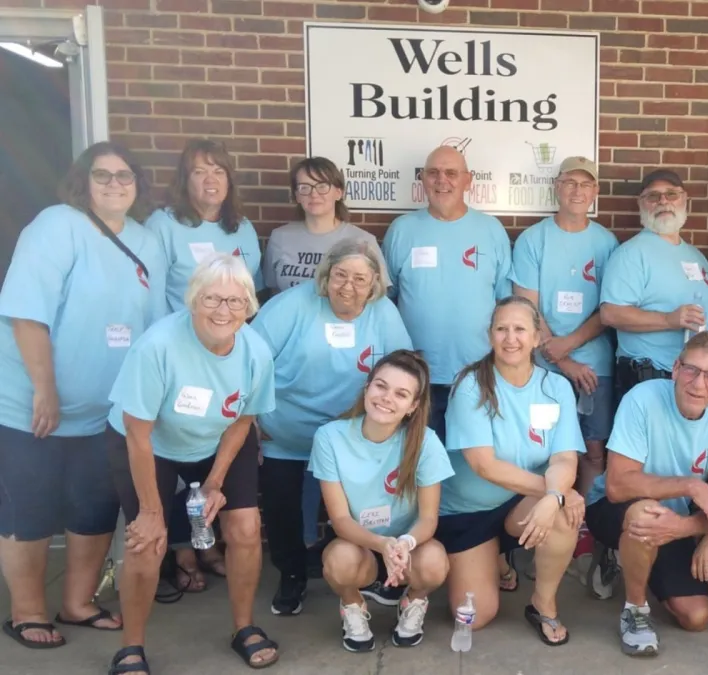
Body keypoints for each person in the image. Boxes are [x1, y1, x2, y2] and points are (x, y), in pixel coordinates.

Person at [0, 142, 166, 649]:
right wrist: (45, 389)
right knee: (29, 509)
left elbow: (155, 326)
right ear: (83, 181)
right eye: (102, 175)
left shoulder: (146, 241)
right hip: (33, 407)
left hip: (107, 413)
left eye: (124, 176)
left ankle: (77, 602)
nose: (114, 185)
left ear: (137, 184)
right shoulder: (56, 225)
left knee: (92, 509)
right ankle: (27, 611)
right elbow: (27, 312)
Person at [105, 254, 278, 673]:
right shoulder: (158, 347)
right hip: (150, 445)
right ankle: (131, 648)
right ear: (193, 300)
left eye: (236, 302)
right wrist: (151, 512)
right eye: (213, 299)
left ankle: (244, 628)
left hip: (215, 441)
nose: (224, 311)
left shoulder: (256, 351)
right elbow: (138, 434)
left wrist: (216, 482)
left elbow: (244, 418)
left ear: (249, 307)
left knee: (245, 529)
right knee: (147, 542)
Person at [252, 239, 412, 616]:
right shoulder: (291, 306)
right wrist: (251, 420)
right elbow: (248, 359)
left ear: (374, 284)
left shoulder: (383, 312)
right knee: (282, 508)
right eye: (340, 275)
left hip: (353, 439)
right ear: (325, 276)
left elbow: (404, 366)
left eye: (360, 278)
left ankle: (370, 572)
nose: (348, 286)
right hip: (287, 434)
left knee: (365, 507)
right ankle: (291, 576)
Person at [585, 332, 708, 658]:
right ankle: (635, 610)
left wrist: (684, 529)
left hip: (671, 516)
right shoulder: (642, 398)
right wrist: (692, 486)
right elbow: (618, 486)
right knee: (645, 515)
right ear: (675, 368)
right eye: (691, 370)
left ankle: (632, 556)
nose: (699, 384)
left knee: (697, 616)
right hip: (612, 506)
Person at [435, 296, 585, 646]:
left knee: (564, 515)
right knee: (473, 617)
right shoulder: (471, 383)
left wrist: (555, 497)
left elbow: (565, 459)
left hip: (519, 504)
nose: (510, 338)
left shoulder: (556, 387)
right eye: (501, 329)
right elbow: (483, 465)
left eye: (520, 329)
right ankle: (498, 560)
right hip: (467, 510)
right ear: (490, 336)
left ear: (536, 338)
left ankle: (543, 603)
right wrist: (553, 492)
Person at [312, 350, 453, 652]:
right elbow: (339, 519)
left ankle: (413, 601)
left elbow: (428, 519)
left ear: (413, 406)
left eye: (401, 394)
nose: (387, 398)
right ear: (367, 387)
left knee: (435, 564)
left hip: (407, 546)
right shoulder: (329, 437)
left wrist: (403, 544)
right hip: (358, 541)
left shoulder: (426, 442)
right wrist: (381, 545)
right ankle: (352, 604)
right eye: (381, 386)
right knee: (338, 562)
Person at [382, 145, 512, 441]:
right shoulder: (401, 230)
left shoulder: (491, 230)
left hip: (478, 374)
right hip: (415, 377)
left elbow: (506, 304)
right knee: (417, 464)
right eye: (433, 173)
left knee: (473, 464)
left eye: (451, 173)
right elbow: (386, 300)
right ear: (423, 180)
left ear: (468, 180)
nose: (442, 180)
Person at [510, 156, 619, 496]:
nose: (577, 190)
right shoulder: (533, 240)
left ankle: (584, 519)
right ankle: (543, 515)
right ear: (556, 186)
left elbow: (610, 308)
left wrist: (569, 347)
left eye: (586, 184)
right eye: (570, 182)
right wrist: (562, 359)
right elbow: (526, 307)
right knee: (542, 446)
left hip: (595, 366)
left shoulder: (607, 243)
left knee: (593, 447)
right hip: (543, 367)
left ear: (595, 191)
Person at [601, 169, 708, 406]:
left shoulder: (696, 256)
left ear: (685, 199)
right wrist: (669, 320)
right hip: (650, 379)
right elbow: (610, 313)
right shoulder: (631, 254)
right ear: (641, 204)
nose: (663, 201)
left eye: (671, 194)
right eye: (653, 196)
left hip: (696, 382)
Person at [145, 138, 263, 312]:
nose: (211, 180)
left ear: (228, 181)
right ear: (185, 181)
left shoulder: (244, 227)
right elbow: (150, 297)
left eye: (219, 172)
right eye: (199, 172)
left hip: (232, 334)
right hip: (180, 334)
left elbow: (253, 292)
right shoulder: (163, 225)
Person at [263, 157, 389, 294]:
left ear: (338, 193)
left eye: (322, 186)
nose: (314, 194)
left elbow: (378, 295)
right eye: (304, 187)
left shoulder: (364, 241)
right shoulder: (280, 238)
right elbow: (274, 293)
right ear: (297, 196)